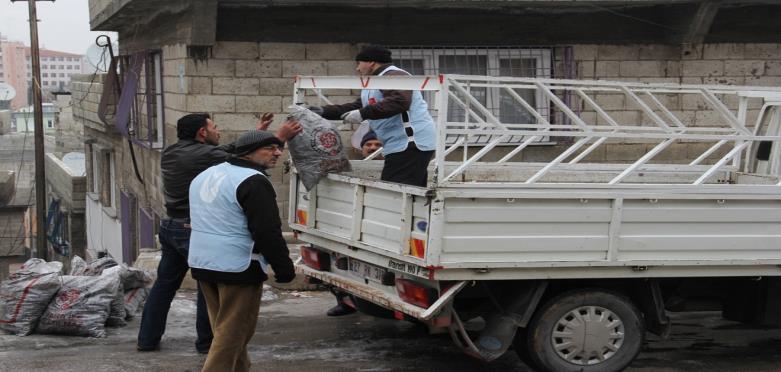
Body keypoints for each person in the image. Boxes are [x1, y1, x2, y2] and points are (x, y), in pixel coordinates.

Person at [137, 113, 301, 354]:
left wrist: (259, 132)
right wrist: (277, 137)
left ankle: (147, 339)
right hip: (193, 229)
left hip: (170, 226)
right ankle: (208, 344)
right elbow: (242, 155)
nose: (218, 131)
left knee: (164, 286)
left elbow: (235, 149)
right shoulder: (207, 156)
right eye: (214, 127)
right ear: (202, 132)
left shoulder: (172, 152)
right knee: (211, 286)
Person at [187, 130, 297, 372]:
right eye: (269, 148)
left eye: (279, 148)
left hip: (203, 262)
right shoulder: (253, 181)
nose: (277, 153)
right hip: (237, 264)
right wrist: (284, 267)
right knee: (233, 332)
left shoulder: (206, 175)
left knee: (224, 330)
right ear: (248, 152)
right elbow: (267, 230)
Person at [317, 44, 436, 188]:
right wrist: (321, 111)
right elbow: (358, 107)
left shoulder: (394, 75)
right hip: (401, 144)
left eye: (359, 63)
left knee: (395, 193)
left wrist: (362, 114)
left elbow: (400, 101)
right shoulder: (376, 82)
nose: (357, 68)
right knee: (408, 192)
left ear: (371, 62)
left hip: (411, 143)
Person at [326, 130, 385, 317]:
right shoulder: (351, 167)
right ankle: (344, 303)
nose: (373, 148)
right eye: (369, 145)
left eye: (377, 145)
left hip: (379, 225)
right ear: (361, 148)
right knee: (339, 265)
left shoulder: (392, 167)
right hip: (351, 223)